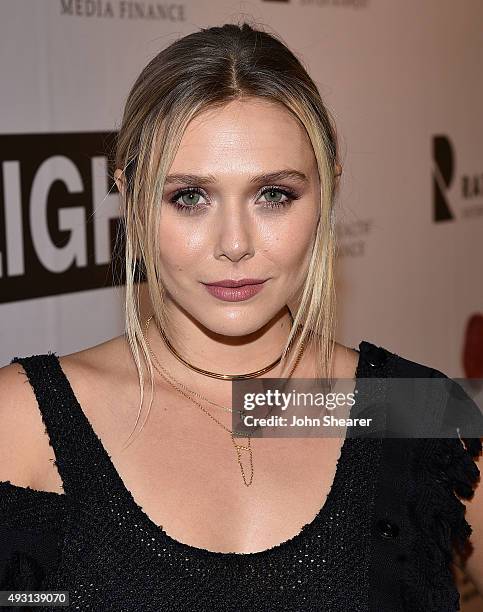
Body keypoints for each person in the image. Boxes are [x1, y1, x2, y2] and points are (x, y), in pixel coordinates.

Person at [0, 21, 481, 612]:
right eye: (190, 197)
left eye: (273, 194)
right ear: (131, 199)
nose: (234, 243)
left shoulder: (413, 410)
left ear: (327, 191)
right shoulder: (19, 419)